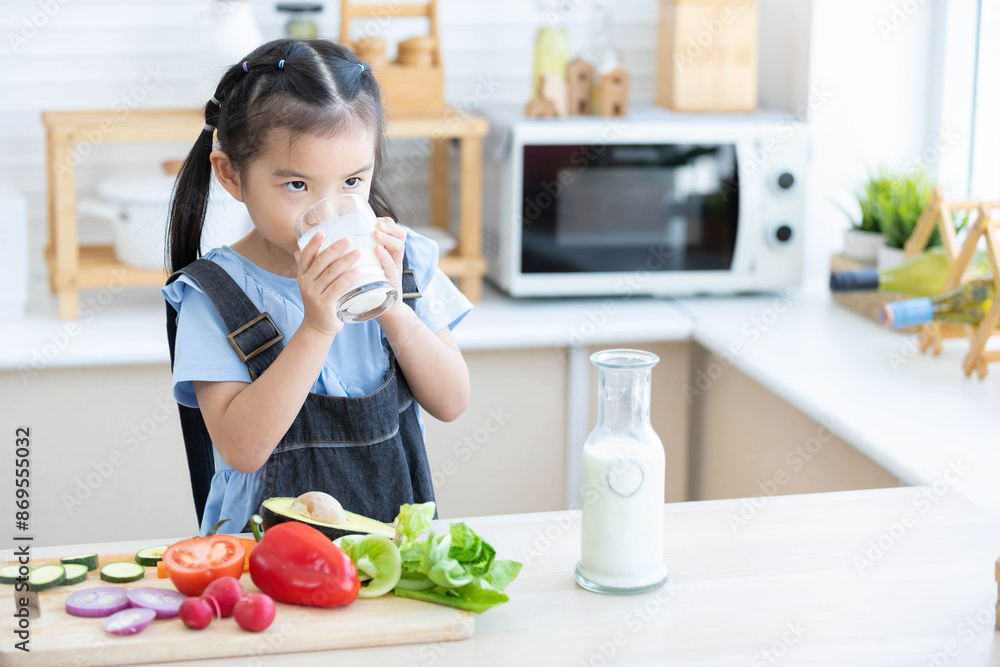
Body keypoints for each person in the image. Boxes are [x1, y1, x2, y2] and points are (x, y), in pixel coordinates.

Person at [161, 38, 472, 536]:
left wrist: (391, 307)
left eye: (352, 182)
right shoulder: (214, 295)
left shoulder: (402, 259)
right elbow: (242, 449)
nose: (328, 212)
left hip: (391, 552)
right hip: (264, 561)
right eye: (297, 186)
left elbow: (452, 401)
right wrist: (316, 327)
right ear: (232, 176)